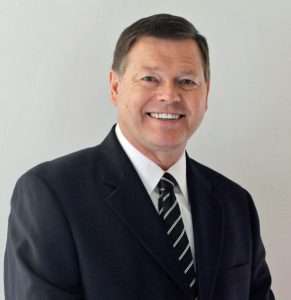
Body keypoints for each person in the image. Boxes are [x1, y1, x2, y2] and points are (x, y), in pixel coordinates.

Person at [4, 13, 275, 300]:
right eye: (150, 79)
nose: (169, 95)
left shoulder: (234, 204)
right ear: (115, 87)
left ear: (206, 93)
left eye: (186, 81)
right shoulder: (51, 194)